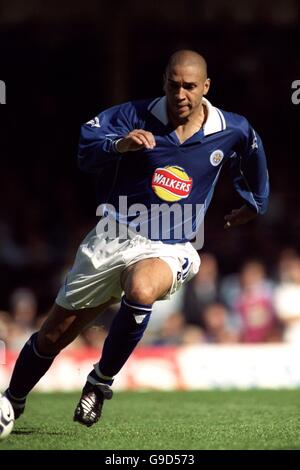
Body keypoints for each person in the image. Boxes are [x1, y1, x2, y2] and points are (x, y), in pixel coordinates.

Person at [4, 49, 269, 427]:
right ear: (165, 82)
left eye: (190, 87)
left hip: (171, 245)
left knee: (143, 289)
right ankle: (12, 400)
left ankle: (99, 383)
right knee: (53, 336)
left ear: (206, 87)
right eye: (174, 85)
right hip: (113, 236)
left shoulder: (231, 128)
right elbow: (86, 147)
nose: (181, 94)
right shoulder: (132, 115)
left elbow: (252, 151)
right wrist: (118, 145)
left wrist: (254, 203)